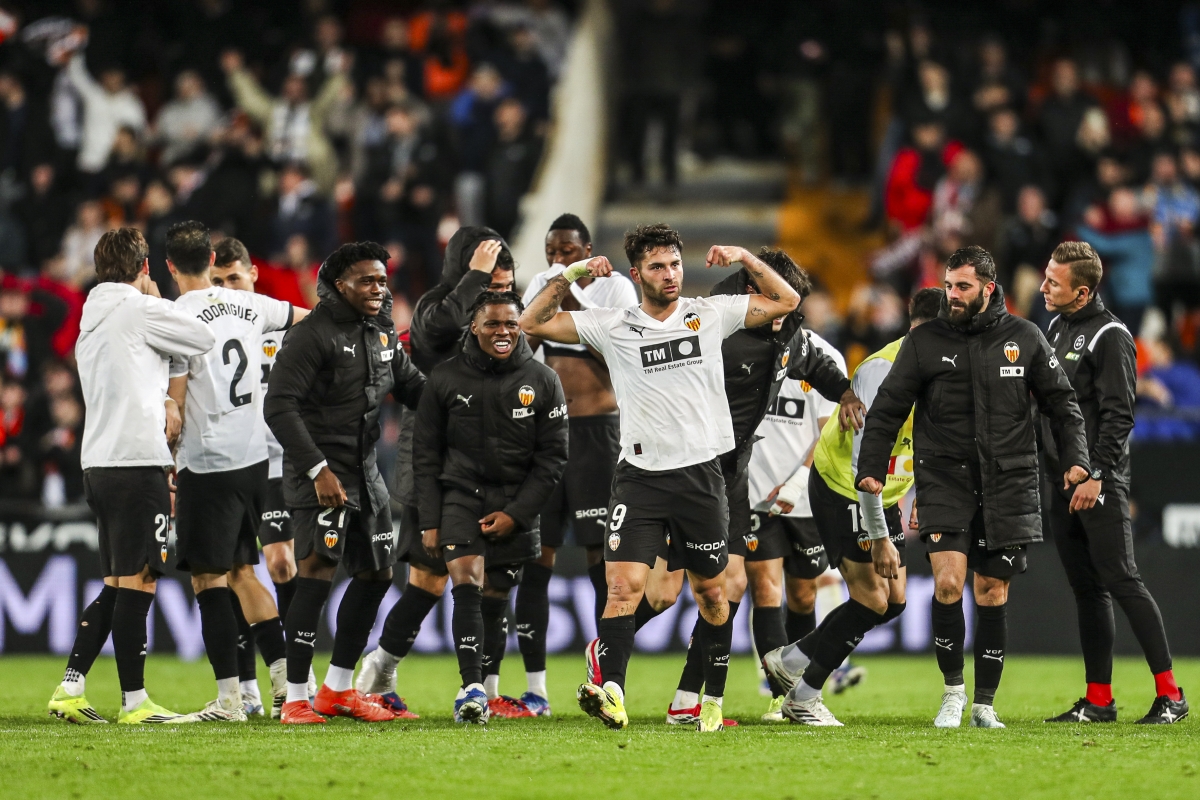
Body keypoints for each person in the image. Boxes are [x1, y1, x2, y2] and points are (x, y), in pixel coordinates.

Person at [520, 224, 802, 732]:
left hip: (701, 477)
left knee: (713, 594)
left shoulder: (709, 314)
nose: (669, 274)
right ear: (637, 274)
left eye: (674, 264)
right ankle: (613, 693)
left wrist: (743, 255)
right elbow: (531, 321)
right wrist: (575, 272)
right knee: (623, 588)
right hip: (639, 478)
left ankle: (710, 700)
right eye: (657, 266)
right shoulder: (613, 323)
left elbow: (785, 299)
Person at [853, 245, 1091, 729]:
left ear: (988, 286)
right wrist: (872, 467)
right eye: (948, 286)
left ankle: (984, 702)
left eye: (962, 287)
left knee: (991, 591)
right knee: (947, 584)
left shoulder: (1024, 337)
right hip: (944, 478)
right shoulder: (925, 342)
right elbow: (887, 409)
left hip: (1009, 480)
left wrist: (1076, 460)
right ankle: (953, 693)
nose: (952, 295)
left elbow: (1062, 404)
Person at [662, 247, 864, 726]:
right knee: (754, 586)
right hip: (729, 483)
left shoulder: (802, 342)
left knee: (802, 594)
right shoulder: (712, 329)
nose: (786, 313)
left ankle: (702, 696)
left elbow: (828, 418)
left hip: (796, 493)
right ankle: (772, 697)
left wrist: (848, 392)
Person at [47, 228, 214, 724]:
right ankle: (135, 703)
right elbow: (202, 338)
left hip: (98, 462)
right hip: (137, 461)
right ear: (144, 268)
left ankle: (70, 687)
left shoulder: (90, 314)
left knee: (119, 582)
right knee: (141, 581)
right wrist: (159, 302)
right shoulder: (140, 309)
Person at [356, 227, 519, 718]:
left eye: (506, 288)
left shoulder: (502, 317)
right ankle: (378, 669)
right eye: (491, 286)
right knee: (430, 580)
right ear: (465, 271)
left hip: (492, 459)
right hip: (434, 460)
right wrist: (473, 280)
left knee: (494, 580)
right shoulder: (436, 304)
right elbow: (432, 335)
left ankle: (483, 689)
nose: (500, 298)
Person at [762, 288, 944, 725]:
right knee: (873, 598)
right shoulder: (883, 370)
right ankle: (802, 698)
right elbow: (867, 461)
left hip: (892, 490)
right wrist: (880, 536)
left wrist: (924, 497)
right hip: (847, 486)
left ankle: (790, 661)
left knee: (895, 601)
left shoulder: (949, 369)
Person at [264, 241, 425, 724]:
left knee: (377, 574)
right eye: (367, 280)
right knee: (315, 575)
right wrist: (317, 470)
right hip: (320, 476)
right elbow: (279, 406)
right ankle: (295, 697)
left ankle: (336, 690)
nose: (379, 289)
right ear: (339, 285)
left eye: (382, 280)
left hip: (365, 473)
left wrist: (468, 398)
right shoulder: (311, 335)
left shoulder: (379, 332)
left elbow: (413, 385)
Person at [1038, 242, 1187, 724]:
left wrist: (1097, 476)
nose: (1043, 287)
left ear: (1081, 293)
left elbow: (1120, 417)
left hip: (1099, 482)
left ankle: (1172, 695)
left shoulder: (1112, 335)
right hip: (1062, 481)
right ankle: (1099, 699)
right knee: (1088, 589)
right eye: (1045, 277)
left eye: (1054, 283)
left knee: (1122, 579)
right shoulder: (1056, 327)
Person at [163, 222, 304, 722]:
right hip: (254, 461)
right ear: (210, 259)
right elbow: (308, 319)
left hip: (208, 462)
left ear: (171, 267)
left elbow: (174, 399)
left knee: (207, 579)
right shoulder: (254, 305)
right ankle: (287, 685)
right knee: (245, 572)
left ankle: (229, 700)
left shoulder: (175, 316)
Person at [414, 291, 568, 722]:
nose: (503, 332)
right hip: (460, 494)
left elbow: (553, 457)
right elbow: (424, 455)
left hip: (516, 499)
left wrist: (518, 514)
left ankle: (489, 688)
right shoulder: (444, 379)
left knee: (497, 594)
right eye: (493, 324)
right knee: (467, 578)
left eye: (511, 324)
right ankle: (471, 689)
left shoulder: (542, 379)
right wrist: (429, 520)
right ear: (474, 327)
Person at [516, 213, 638, 716]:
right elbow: (525, 346)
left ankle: (603, 676)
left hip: (598, 434)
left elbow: (618, 358)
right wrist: (551, 293)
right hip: (547, 436)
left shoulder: (618, 292)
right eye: (551, 252)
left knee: (599, 566)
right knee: (535, 562)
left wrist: (569, 295)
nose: (558, 261)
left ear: (588, 249)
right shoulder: (540, 286)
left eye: (568, 251)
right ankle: (535, 688)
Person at [209, 237, 312, 717]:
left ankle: (297, 673)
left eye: (234, 278)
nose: (227, 287)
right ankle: (248, 687)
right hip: (228, 460)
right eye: (217, 280)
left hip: (277, 465)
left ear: (252, 275)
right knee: (232, 572)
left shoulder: (277, 320)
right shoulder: (203, 325)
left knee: (280, 565)